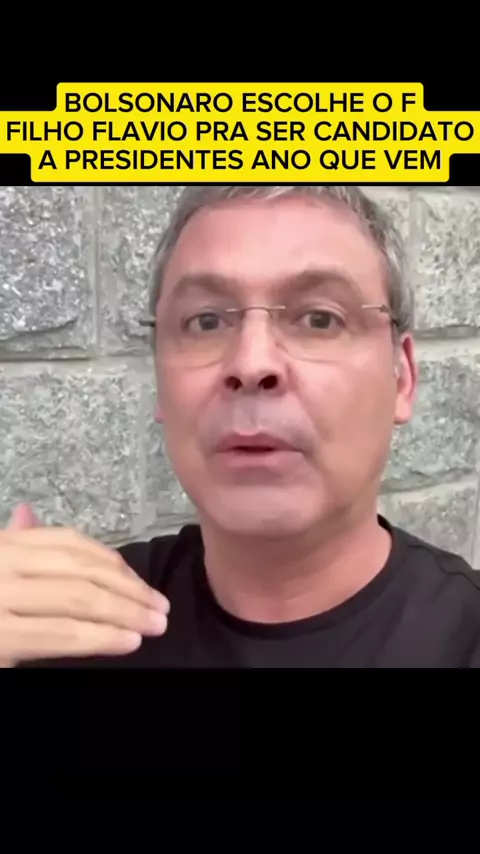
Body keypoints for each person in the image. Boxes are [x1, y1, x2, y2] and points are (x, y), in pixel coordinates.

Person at [3, 184, 480, 669]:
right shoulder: (65, 629)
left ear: (402, 379)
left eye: (319, 319)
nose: (252, 364)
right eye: (206, 321)